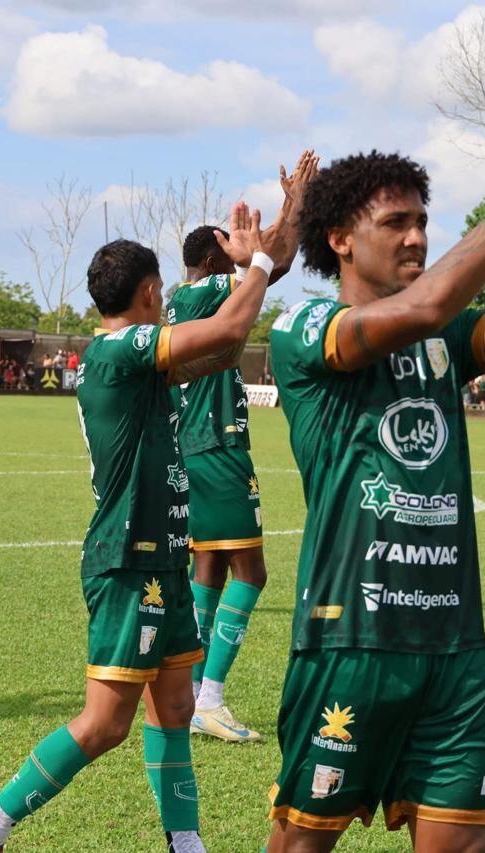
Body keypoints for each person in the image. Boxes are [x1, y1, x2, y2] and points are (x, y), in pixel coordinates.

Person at [265, 78, 485, 851]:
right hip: (350, 639)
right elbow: (420, 310)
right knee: (303, 841)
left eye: (422, 222)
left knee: (462, 843)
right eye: (395, 222)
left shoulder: (444, 337)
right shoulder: (305, 325)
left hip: (452, 643)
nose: (416, 238)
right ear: (341, 237)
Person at [0, 188, 299, 853]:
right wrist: (254, 269)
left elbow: (220, 353)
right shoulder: (118, 352)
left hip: (160, 559)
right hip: (125, 560)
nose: (164, 302)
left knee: (174, 708)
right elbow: (224, 332)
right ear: (149, 292)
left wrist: (280, 235)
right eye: (160, 293)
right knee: (106, 722)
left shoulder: (142, 362)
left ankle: (185, 844)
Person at [168, 153, 317, 745]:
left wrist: (287, 208)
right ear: (212, 258)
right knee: (251, 572)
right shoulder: (208, 293)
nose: (239, 248)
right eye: (228, 245)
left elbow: (267, 256)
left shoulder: (185, 297)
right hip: (218, 448)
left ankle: (191, 692)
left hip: (194, 446)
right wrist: (298, 199)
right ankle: (210, 697)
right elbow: (273, 261)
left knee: (207, 566)